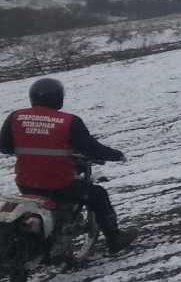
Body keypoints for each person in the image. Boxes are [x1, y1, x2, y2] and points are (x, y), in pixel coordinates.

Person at [0, 77, 132, 254]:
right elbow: (91, 149)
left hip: (26, 184)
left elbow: (5, 147)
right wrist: (116, 155)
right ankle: (115, 240)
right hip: (59, 185)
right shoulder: (69, 121)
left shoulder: (15, 117)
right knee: (98, 194)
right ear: (58, 98)